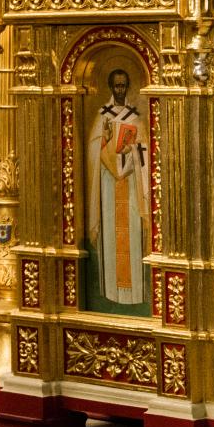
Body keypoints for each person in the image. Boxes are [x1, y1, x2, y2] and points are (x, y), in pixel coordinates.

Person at [86, 68, 149, 306]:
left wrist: (131, 149)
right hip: (108, 183)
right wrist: (104, 141)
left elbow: (144, 151)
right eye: (117, 86)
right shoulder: (103, 116)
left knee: (130, 233)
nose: (120, 90)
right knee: (112, 234)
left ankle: (133, 294)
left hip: (131, 184)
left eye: (124, 85)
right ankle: (112, 291)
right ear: (111, 87)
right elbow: (93, 151)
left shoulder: (135, 117)